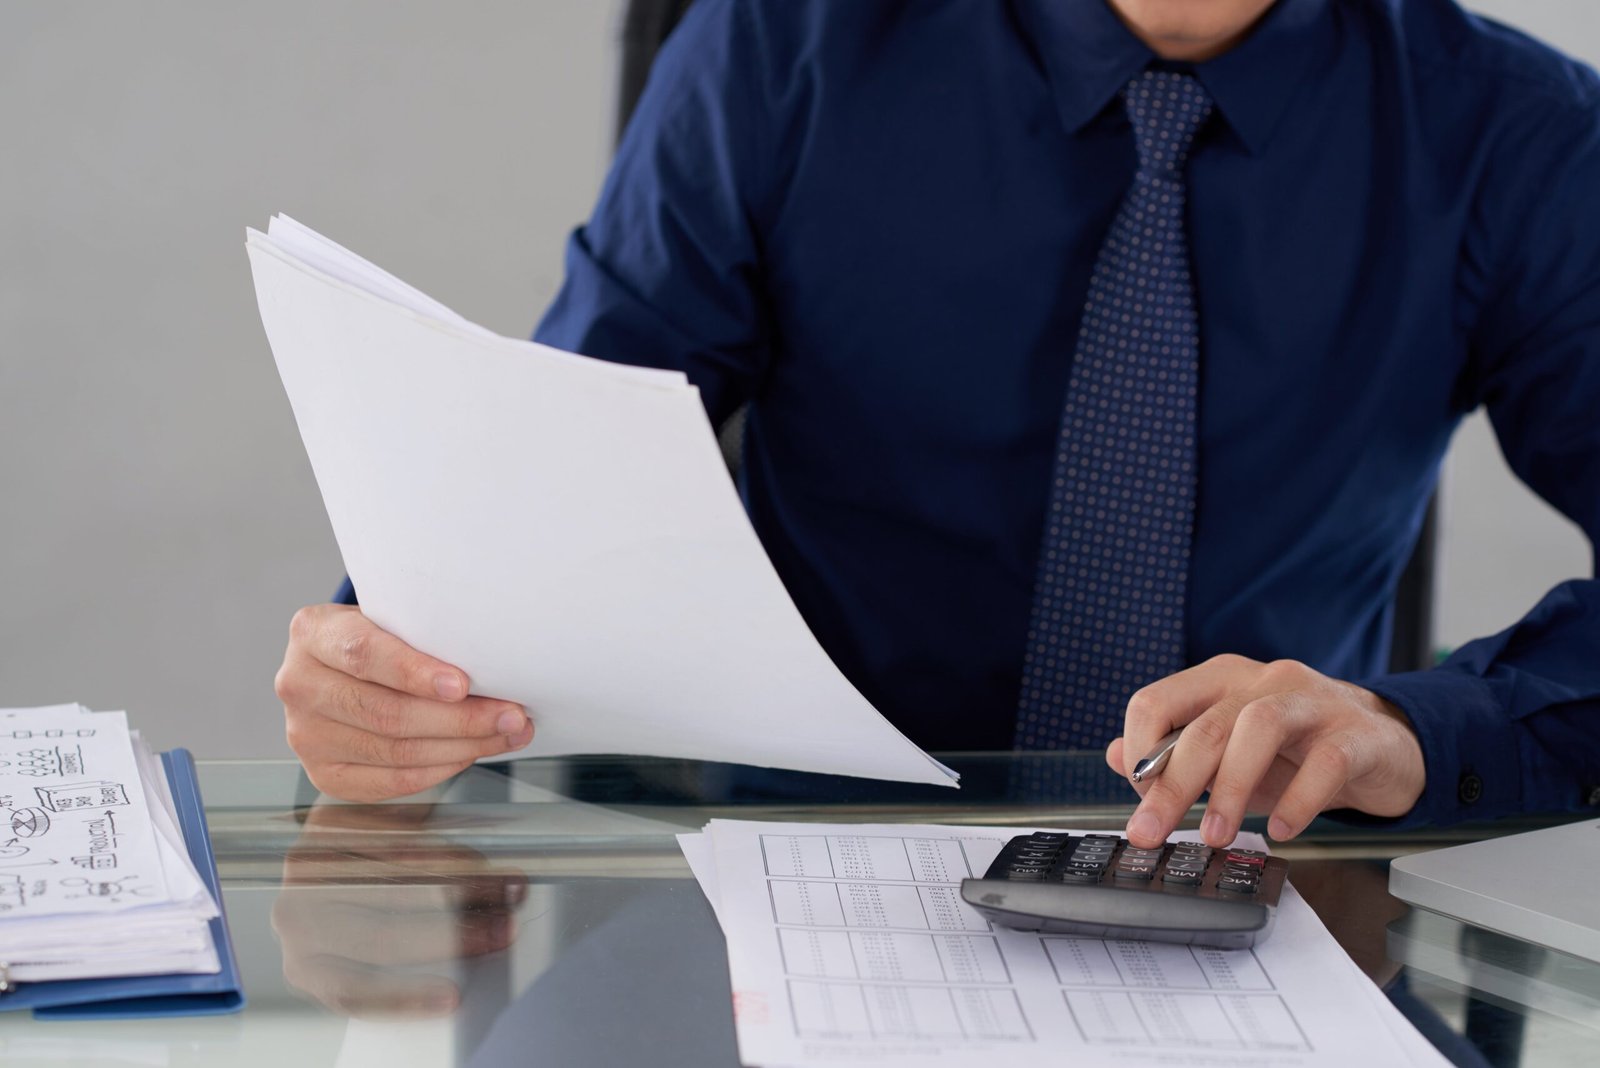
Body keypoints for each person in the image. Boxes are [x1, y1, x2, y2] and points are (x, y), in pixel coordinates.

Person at [274, 0, 1600, 848]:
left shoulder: (1518, 136)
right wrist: (393, 682)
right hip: (802, 880)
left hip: (1261, 892)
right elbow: (543, 484)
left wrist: (1415, 730)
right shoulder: (781, 45)